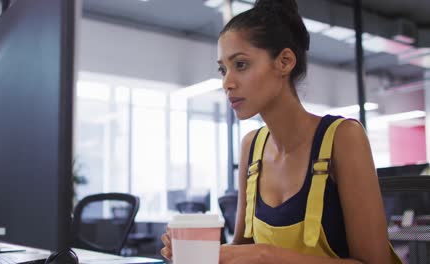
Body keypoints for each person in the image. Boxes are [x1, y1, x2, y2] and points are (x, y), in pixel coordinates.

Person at [161, 0, 402, 263]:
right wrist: (206, 253)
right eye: (223, 69)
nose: (227, 82)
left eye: (240, 65)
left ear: (285, 61)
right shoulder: (251, 147)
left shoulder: (343, 137)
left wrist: (268, 255)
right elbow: (244, 248)